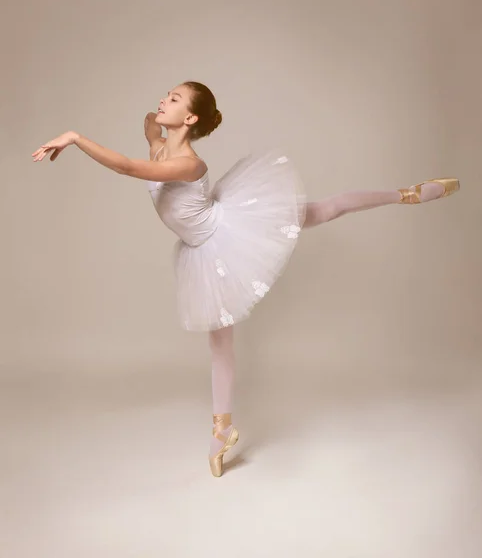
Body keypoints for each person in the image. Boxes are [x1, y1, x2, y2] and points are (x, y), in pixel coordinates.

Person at [32, 81, 460, 477]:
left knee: (323, 210)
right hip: (201, 250)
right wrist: (159, 117)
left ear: (192, 120)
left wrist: (74, 137)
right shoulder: (159, 144)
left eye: (175, 99)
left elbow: (126, 168)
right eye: (167, 94)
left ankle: (408, 194)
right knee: (220, 343)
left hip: (228, 231)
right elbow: (149, 127)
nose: (164, 100)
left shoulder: (188, 164)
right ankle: (222, 431)